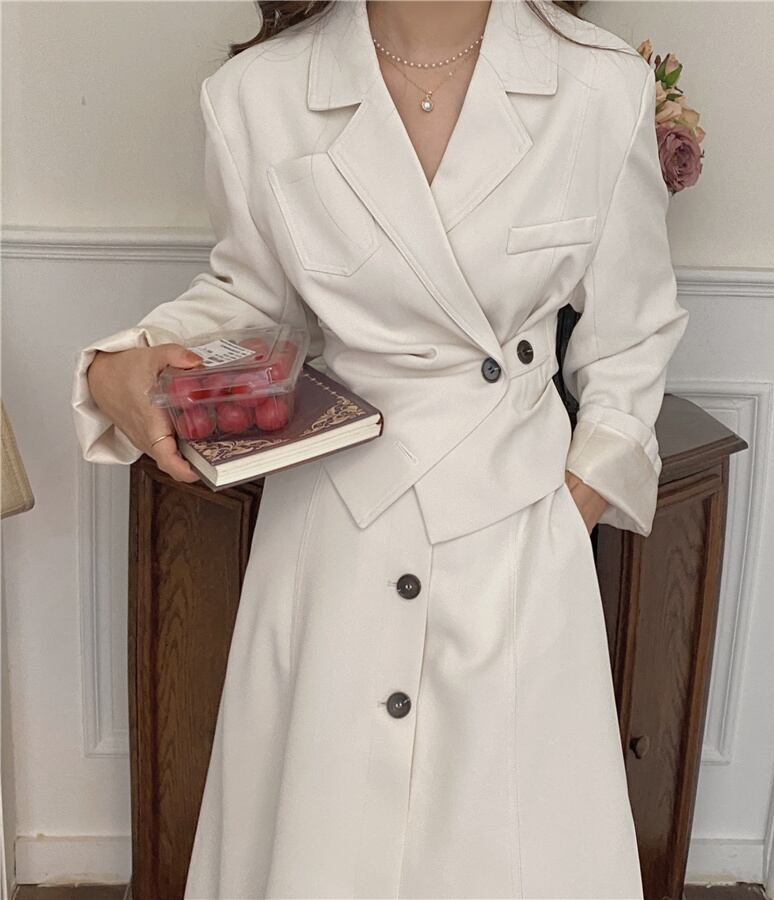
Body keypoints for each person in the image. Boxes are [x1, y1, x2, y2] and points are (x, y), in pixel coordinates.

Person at [70, 0, 690, 896]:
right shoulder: (257, 94)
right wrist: (121, 365)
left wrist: (571, 509)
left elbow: (632, 337)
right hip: (336, 529)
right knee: (326, 836)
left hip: (516, 529)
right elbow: (256, 305)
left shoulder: (600, 86)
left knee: (511, 846)